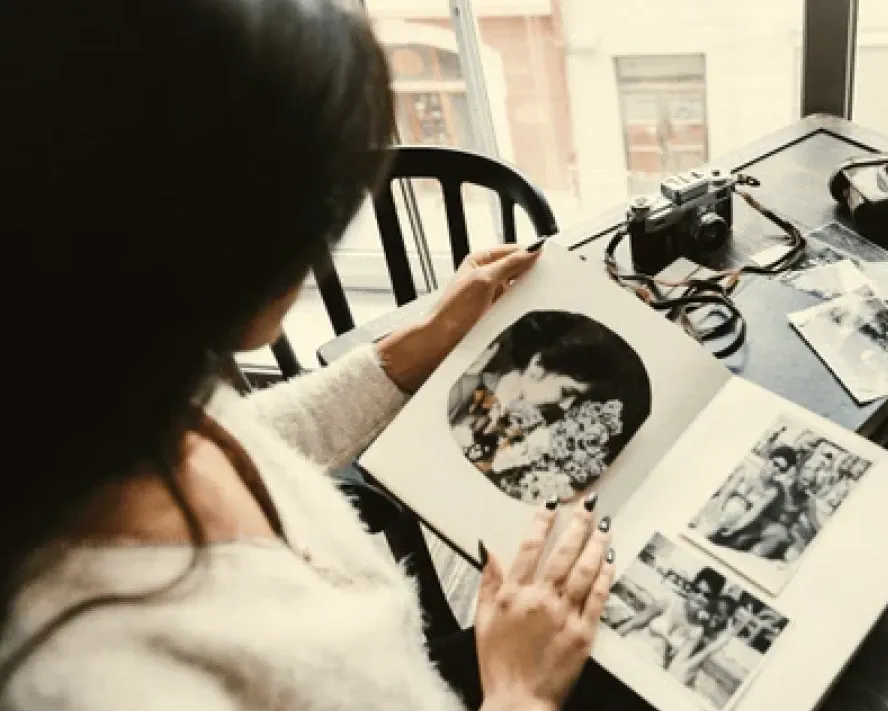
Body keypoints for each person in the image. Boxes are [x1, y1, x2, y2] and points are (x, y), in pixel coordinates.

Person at [0, 3, 635, 711]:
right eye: (317, 203)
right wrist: (519, 691)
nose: (324, 239)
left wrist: (407, 351)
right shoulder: (85, 680)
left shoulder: (110, 391)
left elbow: (254, 433)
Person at [449, 311, 652, 504]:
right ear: (537, 367)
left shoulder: (533, 427)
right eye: (566, 392)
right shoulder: (463, 390)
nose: (565, 406)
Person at [613, 567, 724, 672]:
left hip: (653, 668)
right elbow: (632, 623)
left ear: (711, 601)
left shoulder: (697, 631)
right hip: (629, 648)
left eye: (706, 595)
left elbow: (675, 667)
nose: (699, 597)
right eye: (697, 590)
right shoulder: (668, 601)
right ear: (691, 588)